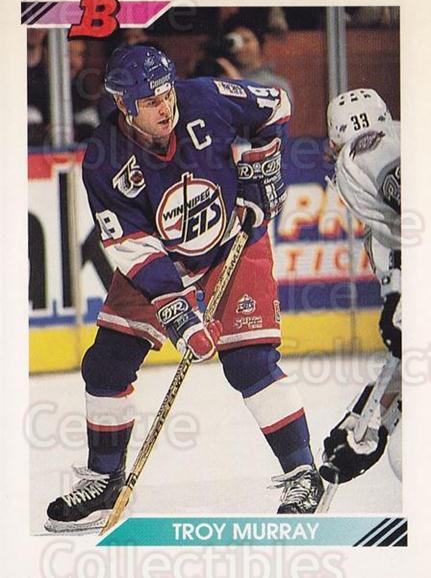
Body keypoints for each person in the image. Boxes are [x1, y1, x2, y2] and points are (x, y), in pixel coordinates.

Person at [45, 45, 324, 533]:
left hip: (233, 241)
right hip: (163, 259)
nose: (165, 106)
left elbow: (275, 105)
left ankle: (304, 473)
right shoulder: (104, 160)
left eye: (166, 93)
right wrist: (179, 313)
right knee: (106, 364)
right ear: (123, 104)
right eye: (150, 101)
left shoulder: (205, 98)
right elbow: (132, 246)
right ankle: (106, 480)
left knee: (250, 363)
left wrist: (265, 162)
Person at [319, 89, 401, 485]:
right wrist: (368, 419)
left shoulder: (364, 149)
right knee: (405, 454)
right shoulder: (389, 231)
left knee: (409, 456)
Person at [223, 14, 293, 101]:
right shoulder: (221, 81)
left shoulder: (276, 85)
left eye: (246, 40)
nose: (241, 47)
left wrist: (237, 82)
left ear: (259, 43)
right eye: (234, 42)